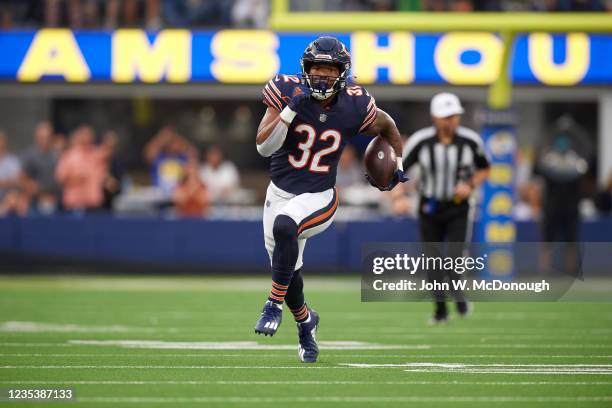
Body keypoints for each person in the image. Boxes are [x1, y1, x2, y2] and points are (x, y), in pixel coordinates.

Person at [253, 36, 407, 362]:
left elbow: (388, 125)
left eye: (329, 69)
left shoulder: (355, 103)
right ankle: (306, 321)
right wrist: (291, 109)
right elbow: (264, 148)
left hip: (319, 195)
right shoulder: (285, 90)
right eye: (317, 69)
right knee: (288, 268)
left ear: (342, 72)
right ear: (306, 70)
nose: (322, 76)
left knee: (286, 227)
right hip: (278, 192)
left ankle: (272, 304)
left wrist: (398, 164)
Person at [400, 93, 490, 324]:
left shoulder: (470, 141)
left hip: (458, 208)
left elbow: (484, 169)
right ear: (435, 118)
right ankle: (441, 310)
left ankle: (459, 298)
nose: (450, 121)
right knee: (433, 262)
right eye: (445, 116)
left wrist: (470, 185)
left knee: (454, 259)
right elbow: (401, 169)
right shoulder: (421, 141)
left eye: (454, 116)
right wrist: (397, 192)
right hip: (429, 207)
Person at [55, 125, 109, 212]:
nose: (86, 138)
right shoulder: (69, 155)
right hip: (74, 204)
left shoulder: (98, 155)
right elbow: (60, 178)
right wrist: (76, 179)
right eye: (84, 135)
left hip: (94, 204)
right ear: (79, 136)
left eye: (89, 135)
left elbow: (104, 175)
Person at [21, 121, 61, 214]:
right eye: (42, 137)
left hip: (55, 198)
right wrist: (31, 187)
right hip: (35, 199)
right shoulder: (29, 155)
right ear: (36, 138)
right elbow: (22, 177)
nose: (45, 140)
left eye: (48, 137)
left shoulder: (57, 154)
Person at [0, 131, 29, 216]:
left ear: (5, 142)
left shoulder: (13, 160)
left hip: (9, 197)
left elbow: (17, 181)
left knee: (16, 200)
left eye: (1, 140)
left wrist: (4, 183)